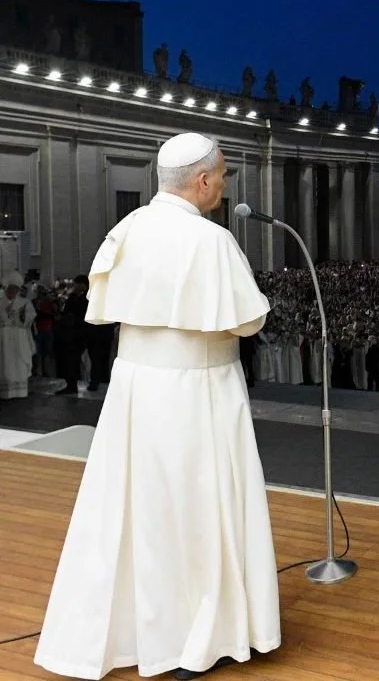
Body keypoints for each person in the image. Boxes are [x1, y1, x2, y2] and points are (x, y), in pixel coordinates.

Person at [35, 133, 280, 679]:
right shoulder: (211, 241)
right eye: (220, 177)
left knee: (134, 507)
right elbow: (248, 319)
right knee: (199, 503)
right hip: (201, 391)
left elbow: (106, 308)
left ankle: (138, 634)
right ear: (202, 181)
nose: (221, 186)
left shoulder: (124, 231)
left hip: (136, 392)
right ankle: (200, 631)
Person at [0, 269, 35, 398]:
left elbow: (30, 318)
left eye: (15, 289)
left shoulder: (24, 303)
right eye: (10, 288)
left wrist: (21, 317)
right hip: (3, 337)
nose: (12, 291)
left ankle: (19, 391)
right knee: (4, 362)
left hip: (19, 337)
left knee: (18, 362)